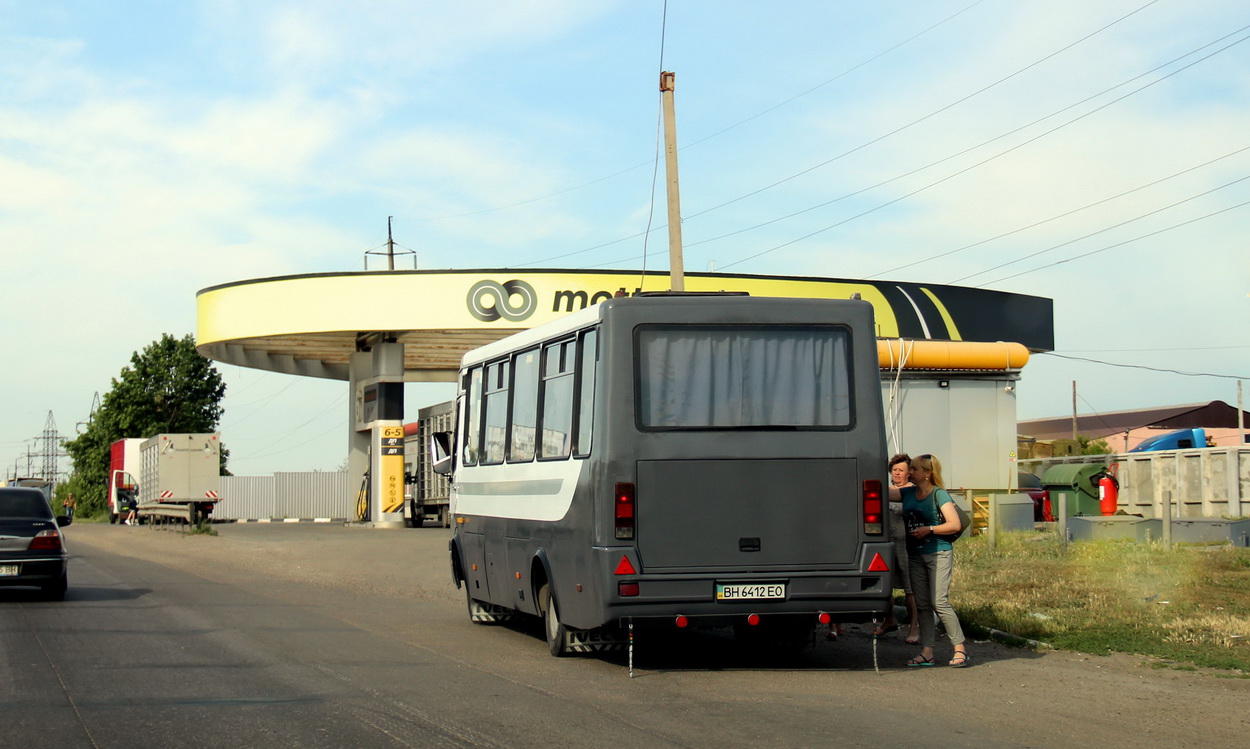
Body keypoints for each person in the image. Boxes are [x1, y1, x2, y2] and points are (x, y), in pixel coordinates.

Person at [891, 453, 969, 668]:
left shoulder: (939, 495)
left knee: (939, 602)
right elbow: (879, 491)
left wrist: (929, 529)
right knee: (923, 604)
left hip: (938, 553)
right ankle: (927, 652)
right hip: (914, 555)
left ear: (927, 473)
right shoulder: (907, 493)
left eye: (914, 469)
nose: (909, 472)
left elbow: (954, 524)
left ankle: (960, 648)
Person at [875, 454, 920, 645]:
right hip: (887, 543)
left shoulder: (913, 491)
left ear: (909, 472)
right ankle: (889, 619)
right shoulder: (887, 490)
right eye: (894, 470)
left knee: (910, 589)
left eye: (901, 470)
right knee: (884, 586)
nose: (897, 473)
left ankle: (914, 628)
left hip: (907, 545)